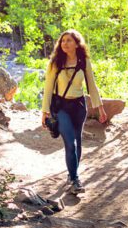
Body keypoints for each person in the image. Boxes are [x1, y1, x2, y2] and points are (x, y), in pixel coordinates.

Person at [41, 29, 107, 194]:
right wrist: (45, 112)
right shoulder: (55, 62)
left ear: (77, 44)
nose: (65, 44)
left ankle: (72, 176)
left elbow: (91, 85)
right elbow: (48, 88)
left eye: (69, 41)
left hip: (78, 106)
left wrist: (100, 108)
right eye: (63, 41)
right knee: (70, 143)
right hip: (60, 106)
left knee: (77, 142)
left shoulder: (84, 61)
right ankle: (75, 179)